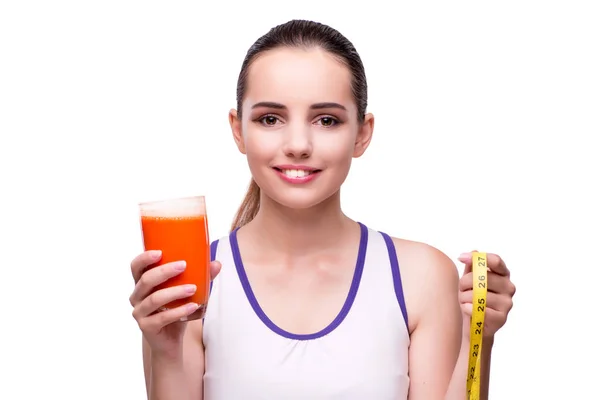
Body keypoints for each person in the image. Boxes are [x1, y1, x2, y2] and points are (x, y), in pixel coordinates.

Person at [129, 19, 516, 400]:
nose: (298, 144)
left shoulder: (422, 276)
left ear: (362, 134)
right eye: (270, 119)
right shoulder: (193, 285)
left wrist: (477, 336)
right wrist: (165, 352)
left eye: (327, 120)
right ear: (238, 129)